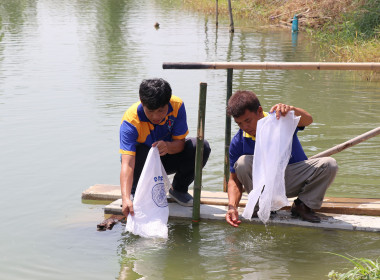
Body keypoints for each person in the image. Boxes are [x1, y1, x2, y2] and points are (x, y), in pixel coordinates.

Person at [225, 90, 338, 227]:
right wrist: (232, 207)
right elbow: (234, 180)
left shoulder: (280, 119)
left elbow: (308, 120)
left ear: (259, 111)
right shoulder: (238, 141)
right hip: (266, 186)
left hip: (292, 178)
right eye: (240, 123)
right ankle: (261, 206)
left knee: (329, 164)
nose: (245, 127)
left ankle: (303, 205)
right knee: (242, 162)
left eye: (247, 120)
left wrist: (292, 110)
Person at [119, 78, 211, 218]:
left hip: (167, 156)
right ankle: (134, 192)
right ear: (141, 101)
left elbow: (180, 144)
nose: (156, 116)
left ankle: (178, 189)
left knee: (201, 146)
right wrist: (125, 198)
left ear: (168, 102)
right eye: (150, 111)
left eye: (161, 110)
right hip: (143, 164)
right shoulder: (130, 120)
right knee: (139, 151)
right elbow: (128, 163)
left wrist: (168, 146)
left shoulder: (177, 105)